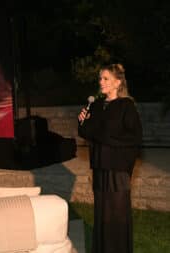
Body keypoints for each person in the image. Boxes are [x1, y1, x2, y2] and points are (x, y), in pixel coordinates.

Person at [78, 63, 142, 253]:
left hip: (118, 168)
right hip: (100, 166)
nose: (101, 82)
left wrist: (103, 136)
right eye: (100, 78)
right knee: (102, 213)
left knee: (117, 213)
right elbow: (86, 132)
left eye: (105, 78)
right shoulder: (96, 105)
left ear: (117, 82)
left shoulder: (126, 106)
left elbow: (134, 137)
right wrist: (81, 122)